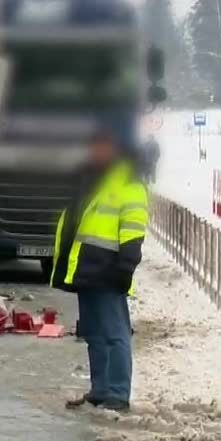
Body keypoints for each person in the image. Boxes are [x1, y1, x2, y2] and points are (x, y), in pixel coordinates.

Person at [51, 125, 148, 412]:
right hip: (87, 270)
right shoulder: (92, 179)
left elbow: (133, 231)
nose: (96, 152)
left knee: (115, 333)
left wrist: (125, 268)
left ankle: (118, 393)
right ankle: (101, 388)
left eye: (102, 146)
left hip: (109, 271)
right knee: (94, 333)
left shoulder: (128, 184)